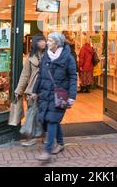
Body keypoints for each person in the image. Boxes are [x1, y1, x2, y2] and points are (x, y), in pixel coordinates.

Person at [32, 32, 77, 162]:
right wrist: (35, 91)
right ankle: (61, 143)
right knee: (48, 119)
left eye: (50, 41)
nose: (47, 43)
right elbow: (40, 75)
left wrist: (72, 96)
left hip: (59, 95)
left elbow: (73, 77)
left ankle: (47, 150)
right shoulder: (46, 55)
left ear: (57, 44)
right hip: (45, 93)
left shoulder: (68, 58)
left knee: (52, 119)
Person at [15, 34, 46, 147]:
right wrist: (19, 90)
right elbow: (25, 75)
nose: (43, 43)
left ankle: (46, 136)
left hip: (45, 90)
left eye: (44, 40)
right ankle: (31, 137)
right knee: (31, 114)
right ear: (35, 43)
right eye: (40, 41)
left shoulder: (49, 55)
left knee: (45, 114)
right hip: (32, 90)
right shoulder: (30, 58)